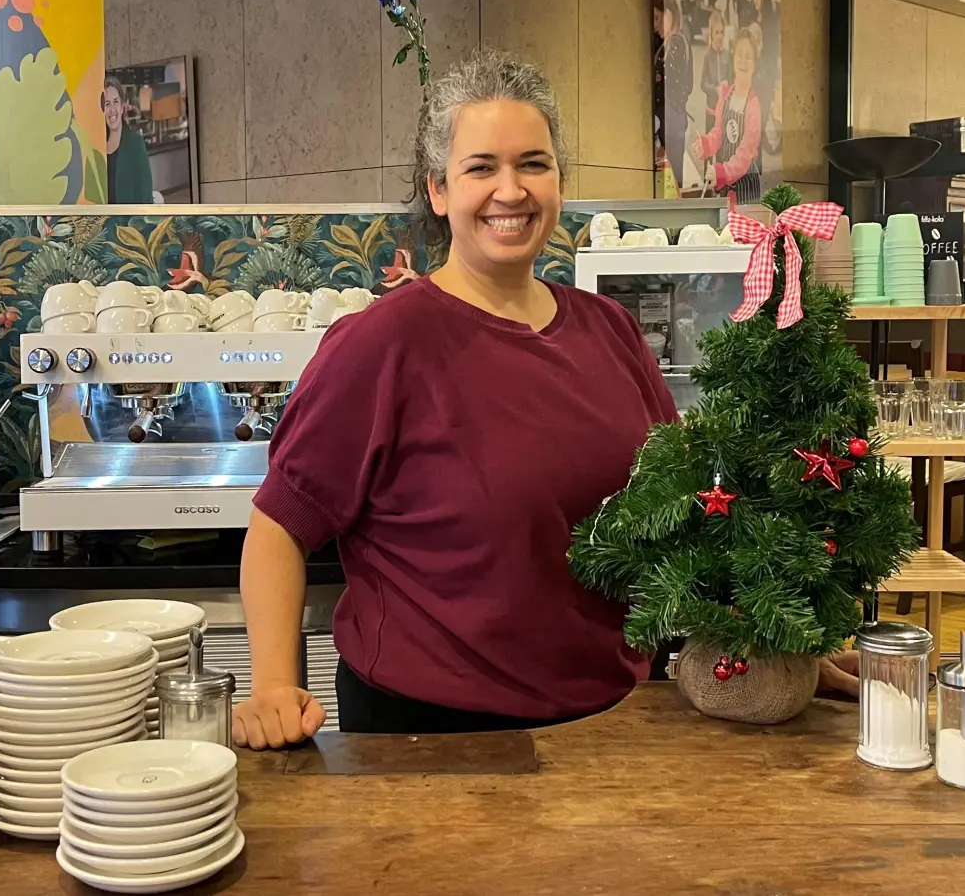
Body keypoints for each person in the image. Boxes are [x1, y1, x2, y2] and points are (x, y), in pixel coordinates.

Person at [231, 50, 676, 747]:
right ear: (438, 190)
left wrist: (769, 642)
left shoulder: (608, 330)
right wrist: (272, 686)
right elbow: (278, 529)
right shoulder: (381, 345)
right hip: (431, 740)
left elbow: (683, 512)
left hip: (616, 721)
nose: (512, 190)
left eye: (534, 163)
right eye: (481, 168)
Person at [694, 28, 763, 203]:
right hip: (726, 186)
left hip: (746, 186)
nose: (743, 61)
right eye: (739, 55)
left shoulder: (753, 107)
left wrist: (722, 172)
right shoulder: (726, 95)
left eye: (748, 57)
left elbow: (745, 154)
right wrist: (706, 145)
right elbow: (719, 132)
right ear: (733, 60)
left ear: (754, 65)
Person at [655, 0, 693, 189]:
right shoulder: (678, 42)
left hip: (672, 119)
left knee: (672, 179)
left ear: (669, 14)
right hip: (674, 118)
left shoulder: (675, 44)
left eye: (657, 18)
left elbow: (674, 88)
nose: (656, 26)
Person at [103, 76, 153, 205]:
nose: (112, 109)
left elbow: (145, 195)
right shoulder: (97, 146)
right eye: (107, 104)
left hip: (129, 223)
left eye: (116, 102)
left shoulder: (135, 144)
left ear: (122, 106)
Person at [699, 9, 728, 134]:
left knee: (723, 146)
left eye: (722, 32)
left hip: (725, 109)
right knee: (710, 144)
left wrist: (727, 84)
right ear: (711, 34)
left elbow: (732, 79)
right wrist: (715, 89)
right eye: (717, 32)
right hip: (711, 108)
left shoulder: (728, 55)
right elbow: (703, 84)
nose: (720, 36)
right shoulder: (707, 57)